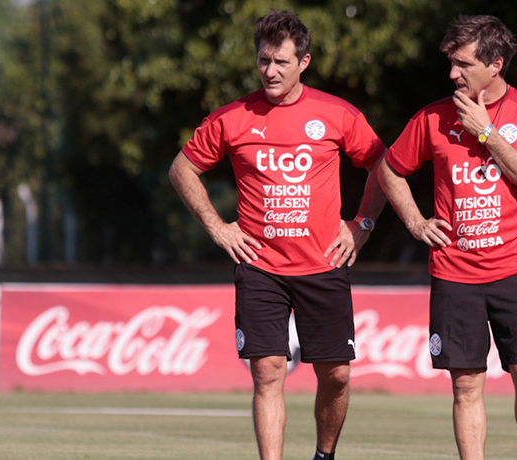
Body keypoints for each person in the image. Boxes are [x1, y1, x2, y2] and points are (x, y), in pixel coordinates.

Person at [169, 10, 386, 460]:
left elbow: (382, 166)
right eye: (264, 60)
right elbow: (181, 169)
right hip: (260, 268)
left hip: (324, 263)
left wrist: (362, 224)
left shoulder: (337, 113)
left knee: (337, 376)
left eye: (281, 62)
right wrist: (216, 226)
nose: (270, 71)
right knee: (268, 372)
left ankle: (324, 455)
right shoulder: (232, 118)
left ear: (303, 62)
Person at [378, 15, 517, 460]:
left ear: (495, 65)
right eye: (451, 63)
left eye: (463, 64)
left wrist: (485, 131)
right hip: (455, 270)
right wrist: (416, 222)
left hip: (516, 267)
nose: (452, 74)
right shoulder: (431, 117)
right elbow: (390, 170)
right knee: (466, 384)